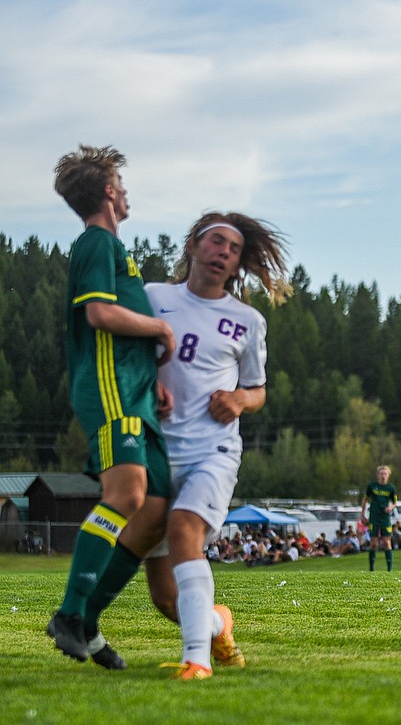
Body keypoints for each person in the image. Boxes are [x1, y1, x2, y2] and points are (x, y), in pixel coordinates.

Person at [129, 212, 288, 680]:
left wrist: (240, 398)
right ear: (194, 247)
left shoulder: (247, 320)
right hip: (157, 452)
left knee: (184, 530)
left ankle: (196, 662)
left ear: (238, 262)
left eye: (233, 248)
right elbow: (127, 358)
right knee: (164, 598)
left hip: (213, 453)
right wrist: (144, 388)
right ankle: (218, 624)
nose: (223, 252)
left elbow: (258, 389)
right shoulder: (155, 297)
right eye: (215, 242)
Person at [47, 145, 176, 666]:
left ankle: (90, 622)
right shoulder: (97, 242)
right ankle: (71, 613)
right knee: (126, 496)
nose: (125, 191)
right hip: (110, 388)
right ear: (108, 191)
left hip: (136, 391)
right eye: (120, 183)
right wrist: (161, 328)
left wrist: (154, 374)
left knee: (157, 509)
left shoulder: (112, 247)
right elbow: (100, 315)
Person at [361, 465, 398, 571]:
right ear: (378, 475)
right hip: (374, 517)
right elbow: (365, 500)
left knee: (387, 542)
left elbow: (395, 502)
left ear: (388, 476)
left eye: (385, 474)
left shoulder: (390, 488)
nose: (383, 476)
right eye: (381, 474)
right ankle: (371, 569)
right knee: (373, 543)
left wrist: (391, 507)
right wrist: (362, 515)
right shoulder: (372, 486)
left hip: (385, 518)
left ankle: (389, 570)